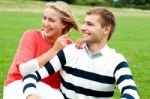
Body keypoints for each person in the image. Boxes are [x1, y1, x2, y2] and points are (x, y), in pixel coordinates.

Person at [22, 7, 139, 99]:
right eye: (84, 23)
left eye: (89, 24)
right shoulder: (70, 52)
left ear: (106, 30)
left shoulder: (117, 61)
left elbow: (131, 93)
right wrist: (32, 95)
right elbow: (31, 76)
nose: (82, 28)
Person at [3, 1, 79, 99]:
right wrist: (54, 50)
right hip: (19, 84)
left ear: (64, 24)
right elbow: (24, 70)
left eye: (51, 20)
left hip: (50, 90)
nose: (45, 23)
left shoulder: (69, 46)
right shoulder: (31, 35)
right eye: (44, 18)